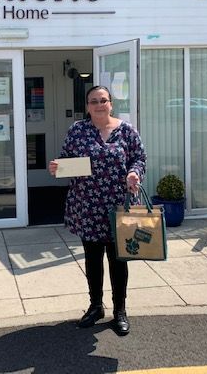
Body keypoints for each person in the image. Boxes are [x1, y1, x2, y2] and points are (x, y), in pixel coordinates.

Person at [49, 85, 146, 336]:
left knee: (118, 259)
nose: (99, 105)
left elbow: (139, 158)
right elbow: (66, 160)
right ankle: (95, 306)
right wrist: (58, 167)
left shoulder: (126, 131)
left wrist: (134, 173)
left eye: (103, 100)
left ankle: (120, 310)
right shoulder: (78, 130)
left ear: (111, 103)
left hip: (119, 205)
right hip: (87, 205)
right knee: (92, 260)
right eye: (94, 101)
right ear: (87, 106)